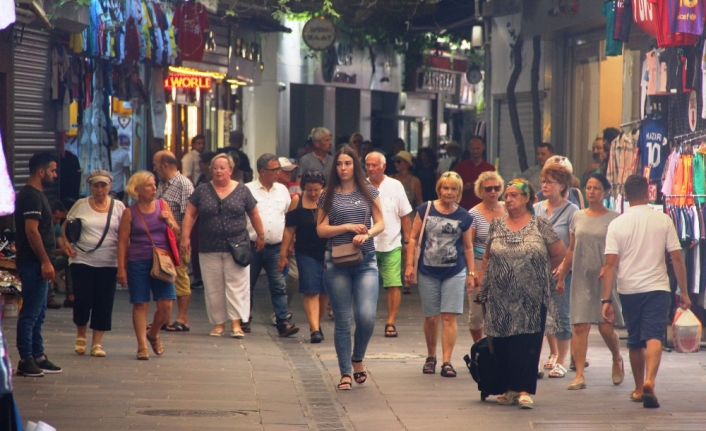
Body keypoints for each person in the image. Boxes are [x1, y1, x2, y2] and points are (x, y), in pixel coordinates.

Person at [601, 175, 689, 409]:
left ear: (627, 196)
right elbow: (677, 257)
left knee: (635, 340)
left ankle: (640, 388)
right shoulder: (663, 220)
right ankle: (651, 380)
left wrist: (606, 299)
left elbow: (609, 264)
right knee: (654, 336)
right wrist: (685, 292)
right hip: (658, 288)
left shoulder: (617, 224)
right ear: (649, 194)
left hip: (629, 289)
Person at [478, 178, 565, 409]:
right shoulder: (496, 225)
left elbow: (558, 253)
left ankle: (525, 390)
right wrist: (483, 283)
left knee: (527, 342)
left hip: (532, 296)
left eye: (514, 195)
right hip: (500, 295)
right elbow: (487, 256)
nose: (508, 199)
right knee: (503, 341)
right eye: (506, 195)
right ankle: (509, 388)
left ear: (527, 198)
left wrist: (540, 271)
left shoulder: (540, 225)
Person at [317, 146, 384, 391]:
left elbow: (380, 223)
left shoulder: (369, 191)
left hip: (365, 260)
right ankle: (345, 371)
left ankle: (358, 358)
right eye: (339, 164)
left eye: (347, 163)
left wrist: (366, 234)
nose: (343, 168)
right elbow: (321, 229)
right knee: (343, 320)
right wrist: (345, 227)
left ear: (355, 166)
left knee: (366, 316)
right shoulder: (328, 195)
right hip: (336, 261)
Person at [180, 154, 265, 338]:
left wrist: (261, 235)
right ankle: (219, 324)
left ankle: (236, 323)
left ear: (230, 171)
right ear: (211, 169)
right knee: (213, 286)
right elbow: (190, 214)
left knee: (237, 285)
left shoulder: (242, 190)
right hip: (209, 246)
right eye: (215, 167)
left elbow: (254, 214)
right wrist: (185, 237)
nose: (218, 171)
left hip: (237, 246)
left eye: (222, 168)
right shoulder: (202, 190)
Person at [555, 173, 624, 390]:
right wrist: (562, 274)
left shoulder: (615, 217)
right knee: (580, 325)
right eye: (588, 187)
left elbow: (622, 248)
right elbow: (572, 248)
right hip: (581, 275)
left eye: (596, 188)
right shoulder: (578, 216)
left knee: (605, 327)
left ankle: (616, 357)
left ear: (605, 192)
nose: (591, 191)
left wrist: (611, 265)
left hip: (605, 277)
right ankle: (580, 375)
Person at [405, 172, 474, 379]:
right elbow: (413, 238)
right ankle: (430, 356)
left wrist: (472, 273)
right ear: (439, 190)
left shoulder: (464, 216)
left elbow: (468, 247)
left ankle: (446, 361)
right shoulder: (425, 209)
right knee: (431, 318)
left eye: (454, 189)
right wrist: (409, 266)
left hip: (454, 270)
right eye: (445, 188)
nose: (449, 192)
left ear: (459, 192)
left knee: (448, 316)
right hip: (428, 270)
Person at [62, 170, 126, 358]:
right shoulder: (81, 204)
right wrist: (66, 243)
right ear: (90, 186)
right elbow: (67, 225)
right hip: (82, 259)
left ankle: (97, 343)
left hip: (108, 261)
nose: (100, 190)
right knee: (83, 298)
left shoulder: (119, 207)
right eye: (96, 185)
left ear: (110, 186)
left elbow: (124, 234)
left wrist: (123, 264)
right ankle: (81, 334)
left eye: (103, 185)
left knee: (104, 302)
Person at [117, 171, 180, 360]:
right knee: (140, 304)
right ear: (137, 190)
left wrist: (169, 221)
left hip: (162, 261)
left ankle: (152, 333)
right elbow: (122, 242)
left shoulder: (163, 205)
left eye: (155, 185)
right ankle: (142, 346)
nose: (154, 188)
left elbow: (176, 232)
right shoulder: (130, 212)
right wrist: (121, 269)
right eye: (149, 185)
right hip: (138, 261)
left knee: (166, 304)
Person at [14, 151, 63, 377]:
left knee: (39, 311)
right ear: (41, 171)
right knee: (31, 313)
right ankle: (26, 358)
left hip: (39, 264)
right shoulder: (31, 196)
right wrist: (44, 261)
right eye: (53, 170)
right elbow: (31, 231)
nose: (55, 174)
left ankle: (38, 355)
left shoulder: (37, 195)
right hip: (33, 264)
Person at [244, 154, 299, 337]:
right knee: (247, 284)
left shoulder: (282, 190)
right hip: (252, 246)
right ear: (262, 171)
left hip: (276, 247)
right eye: (274, 169)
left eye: (278, 169)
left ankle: (283, 321)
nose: (278, 173)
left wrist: (290, 241)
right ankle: (244, 319)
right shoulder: (247, 190)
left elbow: (288, 217)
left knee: (278, 284)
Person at [534, 163, 579, 379]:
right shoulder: (536, 209)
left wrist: (562, 268)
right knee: (536, 316)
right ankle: (536, 358)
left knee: (561, 314)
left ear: (562, 185)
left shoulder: (572, 211)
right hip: (536, 271)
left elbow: (573, 245)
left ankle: (562, 359)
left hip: (562, 271)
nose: (545, 185)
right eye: (543, 181)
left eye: (549, 182)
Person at [278, 169, 328, 343]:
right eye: (310, 190)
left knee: (324, 291)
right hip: (305, 251)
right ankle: (314, 329)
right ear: (303, 188)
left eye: (316, 190)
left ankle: (317, 323)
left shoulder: (329, 200)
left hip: (327, 250)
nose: (313, 194)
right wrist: (283, 255)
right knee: (310, 289)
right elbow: (289, 230)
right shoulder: (297, 201)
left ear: (323, 186)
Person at [366, 152, 412, 337]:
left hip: (391, 242)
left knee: (393, 284)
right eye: (367, 165)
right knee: (365, 284)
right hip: (366, 242)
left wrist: (408, 241)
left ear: (383, 166)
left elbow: (405, 216)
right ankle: (366, 319)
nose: (370, 168)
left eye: (374, 165)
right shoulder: (360, 184)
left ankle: (390, 321)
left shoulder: (395, 186)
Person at [153, 150, 195, 332]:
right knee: (162, 277)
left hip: (177, 240)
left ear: (165, 165)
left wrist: (183, 238)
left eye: (156, 165)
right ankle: (164, 318)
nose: (154, 169)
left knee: (180, 277)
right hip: (160, 242)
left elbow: (189, 215)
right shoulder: (161, 185)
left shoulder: (183, 184)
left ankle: (182, 318)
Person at [467, 171, 506, 343]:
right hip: (478, 261)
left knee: (499, 310)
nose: (493, 192)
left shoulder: (508, 209)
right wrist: (473, 272)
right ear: (480, 191)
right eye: (488, 188)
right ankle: (479, 347)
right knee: (476, 314)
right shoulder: (473, 214)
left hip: (504, 263)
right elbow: (468, 245)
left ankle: (497, 350)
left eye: (496, 188)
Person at [275, 156, 301, 324]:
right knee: (276, 278)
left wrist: (291, 240)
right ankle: (280, 312)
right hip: (271, 239)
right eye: (286, 171)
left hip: (289, 238)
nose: (290, 173)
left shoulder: (295, 189)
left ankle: (284, 307)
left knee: (293, 276)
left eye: (292, 170)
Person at [191, 151, 216, 289]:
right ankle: (198, 275)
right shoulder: (201, 177)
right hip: (198, 215)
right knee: (196, 246)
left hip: (207, 217)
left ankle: (205, 276)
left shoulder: (212, 181)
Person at [454, 137, 495, 210]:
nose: (475, 151)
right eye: (473, 149)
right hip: (464, 208)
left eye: (478, 148)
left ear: (483, 147)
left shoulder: (490, 169)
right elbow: (452, 187)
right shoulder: (460, 167)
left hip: (484, 209)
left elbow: (495, 190)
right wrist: (463, 188)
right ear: (468, 148)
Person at [48, 201, 68, 309]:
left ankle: (71, 295)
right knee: (48, 261)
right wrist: (61, 251)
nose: (57, 221)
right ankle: (49, 297)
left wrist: (66, 251)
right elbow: (44, 250)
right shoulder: (43, 226)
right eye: (56, 218)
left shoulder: (56, 227)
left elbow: (61, 246)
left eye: (60, 219)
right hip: (43, 258)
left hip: (53, 256)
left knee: (69, 260)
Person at [109, 127, 131, 203]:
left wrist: (126, 196)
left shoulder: (123, 154)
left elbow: (128, 175)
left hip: (118, 192)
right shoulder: (104, 154)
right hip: (105, 192)